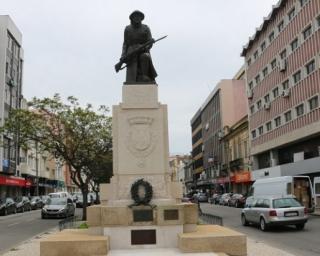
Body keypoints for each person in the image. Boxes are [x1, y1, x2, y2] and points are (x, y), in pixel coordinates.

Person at [119, 10, 157, 83]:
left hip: (143, 50)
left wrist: (146, 47)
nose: (137, 18)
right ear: (132, 18)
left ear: (141, 18)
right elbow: (125, 44)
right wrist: (123, 56)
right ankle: (132, 79)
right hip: (131, 52)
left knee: (145, 56)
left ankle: (145, 76)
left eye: (139, 16)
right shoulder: (127, 29)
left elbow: (149, 42)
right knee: (132, 71)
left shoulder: (146, 28)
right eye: (135, 16)